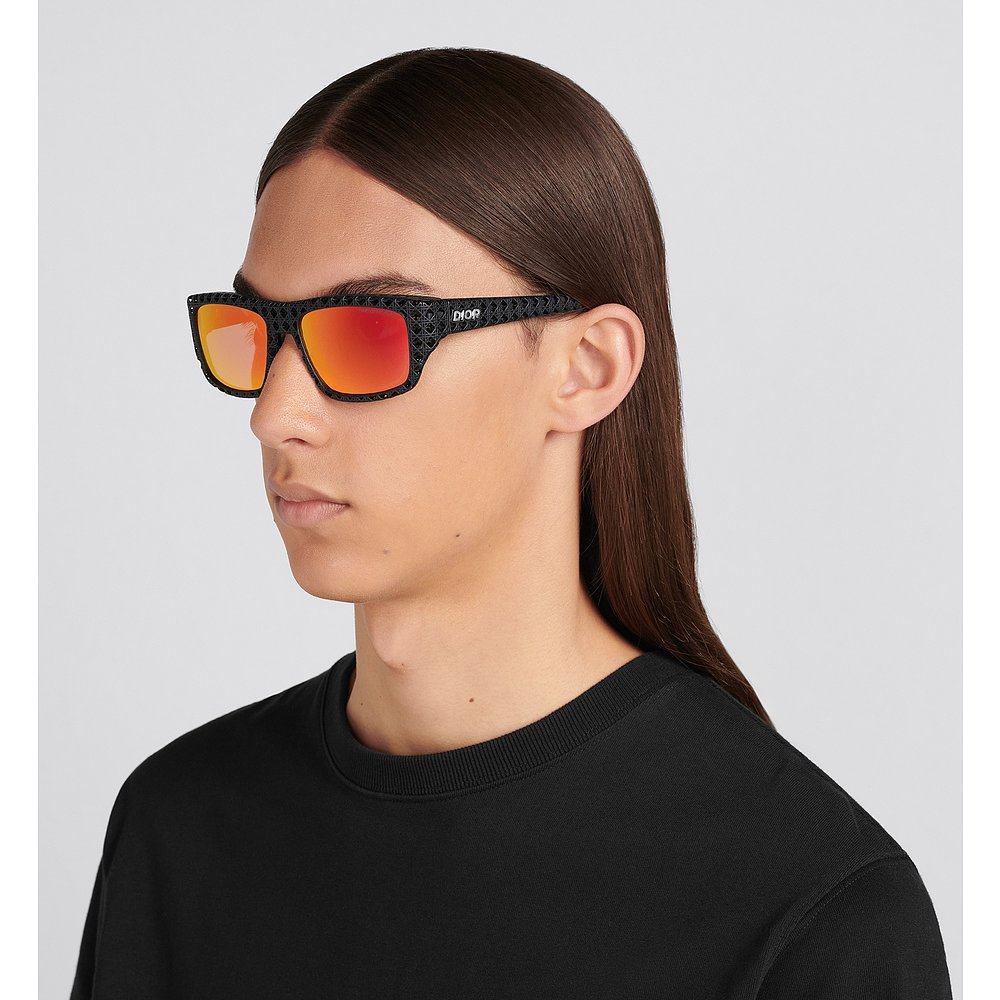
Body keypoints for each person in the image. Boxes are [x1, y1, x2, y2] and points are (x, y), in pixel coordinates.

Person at [70, 47, 952, 998]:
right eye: (258, 334)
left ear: (587, 368)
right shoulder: (180, 825)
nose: (274, 414)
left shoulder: (809, 906)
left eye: (368, 331)